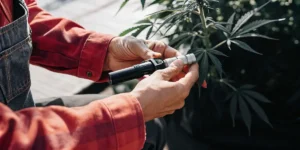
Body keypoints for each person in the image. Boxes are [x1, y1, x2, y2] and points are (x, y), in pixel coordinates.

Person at [0, 0, 199, 149]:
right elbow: (10, 139)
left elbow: (24, 16)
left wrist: (105, 51)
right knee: (140, 130)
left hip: (21, 112)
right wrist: (128, 113)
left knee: (151, 129)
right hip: (19, 135)